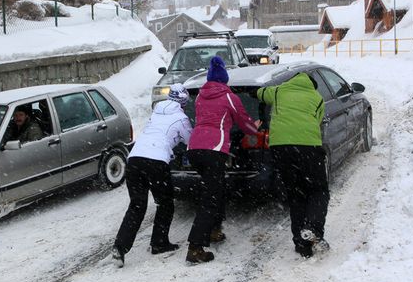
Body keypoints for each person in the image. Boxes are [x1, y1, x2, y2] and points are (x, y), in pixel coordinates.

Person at [186, 56, 261, 264]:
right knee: (211, 197)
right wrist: (256, 127)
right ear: (224, 80)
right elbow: (243, 122)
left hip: (194, 148)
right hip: (214, 149)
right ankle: (196, 247)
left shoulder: (200, 96)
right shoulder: (229, 97)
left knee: (214, 191)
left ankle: (214, 230)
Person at [111, 83, 193, 268]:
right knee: (165, 203)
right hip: (156, 162)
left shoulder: (156, 112)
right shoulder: (181, 118)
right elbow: (191, 141)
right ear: (183, 103)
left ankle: (120, 247)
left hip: (134, 160)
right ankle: (159, 243)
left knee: (137, 205)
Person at [256, 72, 329, 258]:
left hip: (281, 149)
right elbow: (318, 120)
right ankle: (312, 228)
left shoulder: (278, 91)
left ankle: (301, 244)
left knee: (296, 194)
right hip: (308, 148)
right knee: (318, 190)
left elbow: (260, 93)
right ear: (312, 86)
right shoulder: (317, 98)